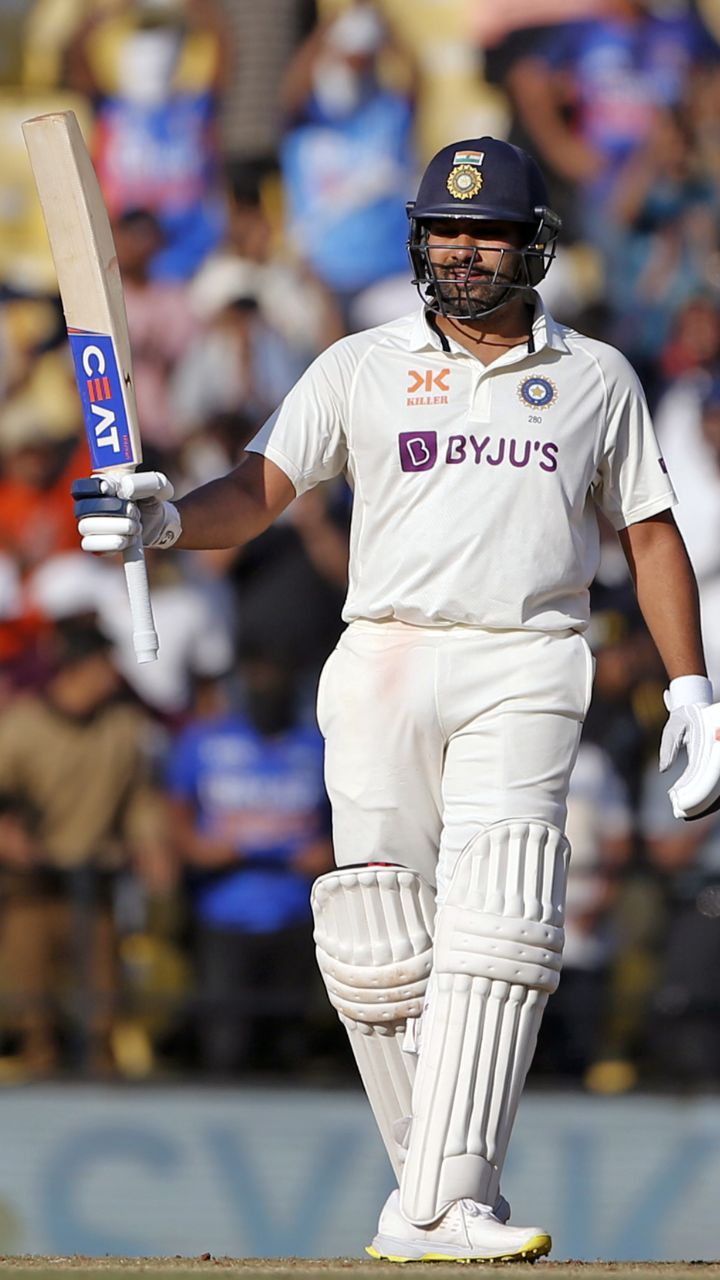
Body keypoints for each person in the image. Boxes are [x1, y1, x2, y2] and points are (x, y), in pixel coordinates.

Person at [70, 136, 720, 1261]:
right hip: (381, 655)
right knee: (378, 940)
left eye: (488, 233)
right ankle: (436, 1201)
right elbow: (258, 492)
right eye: (445, 232)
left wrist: (694, 692)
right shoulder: (358, 364)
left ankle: (442, 1205)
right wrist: (161, 517)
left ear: (534, 245)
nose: (463, 251)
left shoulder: (597, 376)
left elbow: (651, 536)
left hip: (528, 654)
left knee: (503, 918)